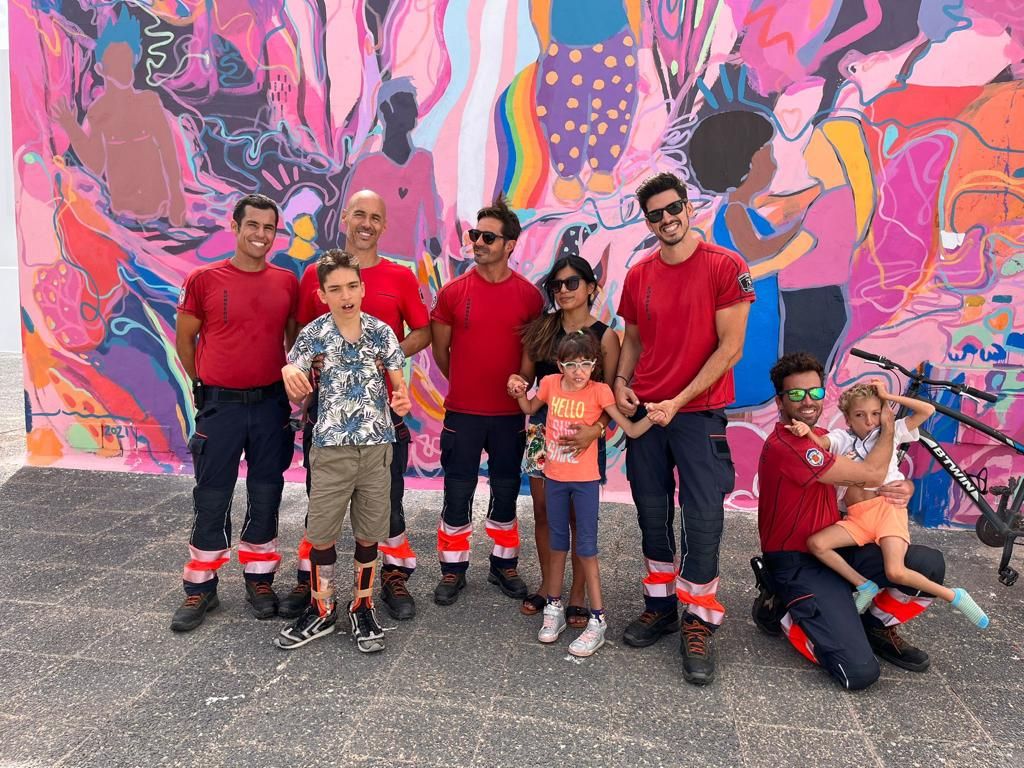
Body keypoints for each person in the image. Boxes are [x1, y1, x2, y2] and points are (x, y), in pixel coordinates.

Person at [614, 172, 754, 685]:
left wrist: (679, 399)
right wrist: (623, 382)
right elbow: (632, 337)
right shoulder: (639, 273)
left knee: (702, 518)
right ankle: (660, 606)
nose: (667, 220)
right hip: (648, 413)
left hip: (696, 415)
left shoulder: (725, 265)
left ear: (688, 206)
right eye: (656, 215)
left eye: (673, 209)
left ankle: (699, 619)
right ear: (647, 221)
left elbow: (730, 347)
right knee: (652, 512)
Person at [277, 190, 431, 622]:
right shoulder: (314, 274)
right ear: (345, 217)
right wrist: (298, 373)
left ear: (383, 225)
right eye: (359, 214)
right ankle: (313, 587)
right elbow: (300, 340)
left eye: (375, 217)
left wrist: (382, 358)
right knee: (320, 505)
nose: (366, 223)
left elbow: (423, 332)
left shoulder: (399, 279)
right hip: (327, 424)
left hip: (381, 424)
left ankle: (388, 579)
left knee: (385, 504)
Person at [753, 352, 948, 690]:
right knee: (858, 673)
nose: (807, 400)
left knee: (928, 564)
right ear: (780, 401)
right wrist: (888, 424)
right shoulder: (791, 445)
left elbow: (868, 485)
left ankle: (876, 626)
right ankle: (781, 609)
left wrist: (905, 486)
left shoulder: (831, 438)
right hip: (798, 562)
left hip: (839, 546)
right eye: (796, 394)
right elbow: (871, 471)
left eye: (814, 392)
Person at [170, 193, 298, 632]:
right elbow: (185, 341)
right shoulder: (203, 279)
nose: (261, 235)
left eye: (269, 228)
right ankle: (200, 587)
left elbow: (295, 343)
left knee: (266, 493)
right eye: (253, 226)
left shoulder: (286, 281)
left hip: (269, 406)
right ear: (236, 226)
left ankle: (259, 581)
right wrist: (203, 384)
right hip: (220, 407)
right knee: (211, 495)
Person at [273, 249, 411, 652]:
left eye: (352, 285)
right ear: (322, 294)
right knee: (322, 535)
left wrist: (401, 399)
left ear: (363, 288)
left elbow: (398, 384)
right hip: (330, 448)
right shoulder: (314, 334)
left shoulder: (381, 332)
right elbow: (293, 368)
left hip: (376, 447)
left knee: (370, 534)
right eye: (336, 289)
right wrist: (289, 370)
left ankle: (362, 606)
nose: (346, 295)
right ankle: (321, 607)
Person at [796, 379, 988, 627]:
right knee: (817, 544)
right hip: (857, 516)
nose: (869, 421)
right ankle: (864, 585)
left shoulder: (892, 431)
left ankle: (953, 595)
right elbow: (820, 444)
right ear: (848, 419)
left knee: (895, 571)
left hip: (887, 510)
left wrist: (888, 397)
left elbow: (927, 410)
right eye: (860, 415)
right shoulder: (843, 438)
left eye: (875, 413)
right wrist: (806, 431)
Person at [430, 194, 545, 605]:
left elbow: (531, 354)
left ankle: (503, 565)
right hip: (463, 412)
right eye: (474, 234)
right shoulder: (452, 292)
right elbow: (442, 353)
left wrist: (521, 383)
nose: (477, 242)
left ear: (509, 244)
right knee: (457, 491)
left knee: (506, 489)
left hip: (507, 417)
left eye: (488, 237)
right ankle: (452, 568)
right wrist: (465, 382)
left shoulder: (530, 297)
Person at [513, 330, 652, 656]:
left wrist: (655, 419)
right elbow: (530, 407)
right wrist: (519, 390)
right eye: (572, 364)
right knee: (558, 543)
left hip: (585, 483)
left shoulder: (600, 391)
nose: (579, 371)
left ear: (594, 366)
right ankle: (554, 608)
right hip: (554, 479)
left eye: (586, 364)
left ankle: (598, 619)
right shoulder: (548, 384)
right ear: (560, 364)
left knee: (586, 548)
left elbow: (629, 428)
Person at [508, 255, 618, 628]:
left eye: (572, 283)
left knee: (578, 519)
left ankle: (577, 597)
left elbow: (612, 398)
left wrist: (597, 430)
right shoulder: (540, 330)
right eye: (556, 285)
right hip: (543, 434)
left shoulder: (606, 337)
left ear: (590, 286)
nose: (564, 291)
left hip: (584, 437)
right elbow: (524, 377)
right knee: (544, 513)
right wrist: (515, 383)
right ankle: (548, 587)